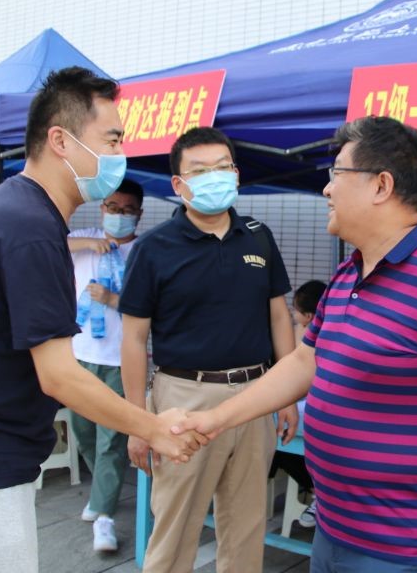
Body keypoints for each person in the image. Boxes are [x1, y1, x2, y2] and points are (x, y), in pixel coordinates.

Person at [175, 116, 417, 573]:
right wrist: (216, 418)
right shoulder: (349, 273)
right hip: (334, 528)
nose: (326, 189)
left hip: (408, 549)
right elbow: (306, 361)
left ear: (381, 185)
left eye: (336, 174)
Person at [0, 67, 205, 573]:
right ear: (60, 140)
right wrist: (153, 428)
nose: (120, 154)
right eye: (112, 139)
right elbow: (59, 375)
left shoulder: (18, 210)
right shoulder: (31, 228)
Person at [119, 126, 298, 573]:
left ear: (236, 174)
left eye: (222, 167)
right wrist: (137, 422)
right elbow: (134, 339)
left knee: (246, 526)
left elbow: (280, 316)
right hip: (183, 399)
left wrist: (286, 395)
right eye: (199, 171)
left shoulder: (258, 236)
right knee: (176, 527)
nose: (214, 177)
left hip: (256, 394)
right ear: (178, 184)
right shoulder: (154, 248)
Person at [67, 178, 144, 552]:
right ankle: (102, 488)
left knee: (111, 440)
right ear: (102, 208)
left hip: (119, 358)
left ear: (138, 215)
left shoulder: (143, 252)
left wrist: (114, 299)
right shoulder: (84, 238)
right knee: (82, 431)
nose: (119, 215)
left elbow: (153, 306)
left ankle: (103, 514)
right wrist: (87, 244)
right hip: (79, 354)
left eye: (127, 210)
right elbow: (48, 244)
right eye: (113, 207)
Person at [268, 279, 326, 528]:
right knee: (278, 444)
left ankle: (318, 493)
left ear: (309, 316)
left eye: (296, 310)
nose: (293, 315)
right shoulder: (305, 334)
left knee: (280, 444)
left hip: (313, 415)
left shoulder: (310, 337)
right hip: (302, 410)